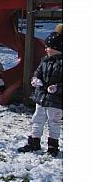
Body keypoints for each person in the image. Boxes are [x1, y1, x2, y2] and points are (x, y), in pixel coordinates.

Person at [18, 24, 63, 157]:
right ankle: (34, 142)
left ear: (57, 48)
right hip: (41, 98)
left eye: (48, 47)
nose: (46, 49)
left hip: (56, 101)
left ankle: (53, 146)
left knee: (53, 123)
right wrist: (35, 79)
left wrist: (57, 88)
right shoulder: (45, 61)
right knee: (37, 120)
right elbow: (38, 72)